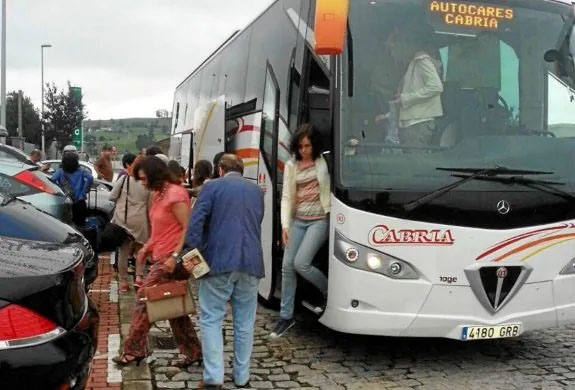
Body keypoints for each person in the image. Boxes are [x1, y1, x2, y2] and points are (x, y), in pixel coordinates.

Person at [113, 156, 202, 367]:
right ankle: (194, 352)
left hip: (172, 260)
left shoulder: (176, 194)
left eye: (143, 178)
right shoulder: (158, 194)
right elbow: (160, 230)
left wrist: (173, 257)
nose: (142, 183)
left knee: (144, 300)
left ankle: (133, 351)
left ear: (154, 175)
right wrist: (146, 248)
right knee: (174, 309)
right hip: (162, 256)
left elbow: (187, 229)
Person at [185, 154, 264, 389]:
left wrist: (194, 261)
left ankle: (213, 378)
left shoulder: (211, 188)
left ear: (220, 169)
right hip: (251, 262)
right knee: (245, 322)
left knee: (211, 318)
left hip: (218, 262)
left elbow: (194, 226)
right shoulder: (257, 192)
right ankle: (241, 377)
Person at [269, 124, 330, 339]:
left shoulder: (324, 162)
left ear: (314, 145)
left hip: (319, 220)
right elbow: (286, 196)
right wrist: (285, 226)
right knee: (287, 266)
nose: (304, 150)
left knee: (301, 263)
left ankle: (327, 291)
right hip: (298, 220)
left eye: (308, 145)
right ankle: (286, 317)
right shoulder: (291, 165)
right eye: (301, 146)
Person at [377, 28, 443, 148]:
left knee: (417, 162)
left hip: (418, 124)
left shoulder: (422, 60)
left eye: (392, 49)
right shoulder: (410, 64)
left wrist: (405, 98)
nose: (392, 54)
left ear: (403, 45)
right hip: (411, 124)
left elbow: (436, 87)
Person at [109, 154, 150, 292]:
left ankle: (123, 282)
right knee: (140, 250)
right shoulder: (148, 182)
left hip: (124, 220)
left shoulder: (125, 179)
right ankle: (139, 277)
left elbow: (112, 196)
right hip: (141, 220)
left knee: (123, 252)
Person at [52, 151, 93, 226]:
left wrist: (60, 189)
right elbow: (90, 178)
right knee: (80, 224)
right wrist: (84, 192)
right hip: (79, 202)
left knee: (66, 225)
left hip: (65, 201)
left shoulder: (60, 172)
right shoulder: (81, 171)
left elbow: (52, 181)